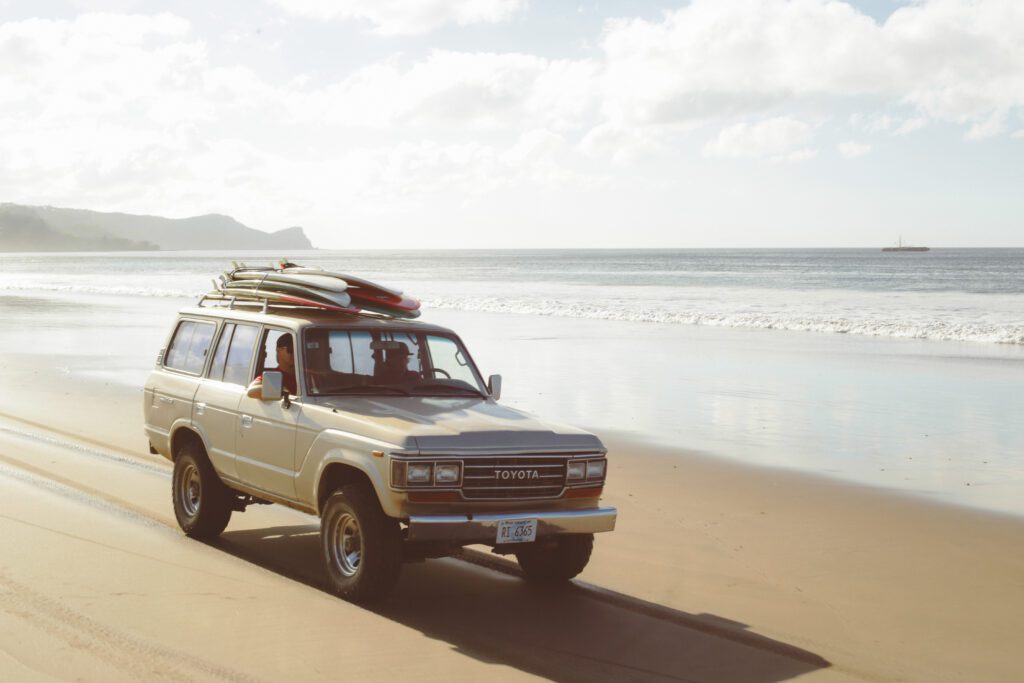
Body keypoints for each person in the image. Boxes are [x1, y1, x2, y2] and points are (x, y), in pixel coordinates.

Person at [247, 334, 297, 398]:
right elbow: (251, 391)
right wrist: (280, 391)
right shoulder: (274, 376)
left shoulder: (308, 376)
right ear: (279, 350)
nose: (295, 354)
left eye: (298, 350)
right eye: (291, 350)